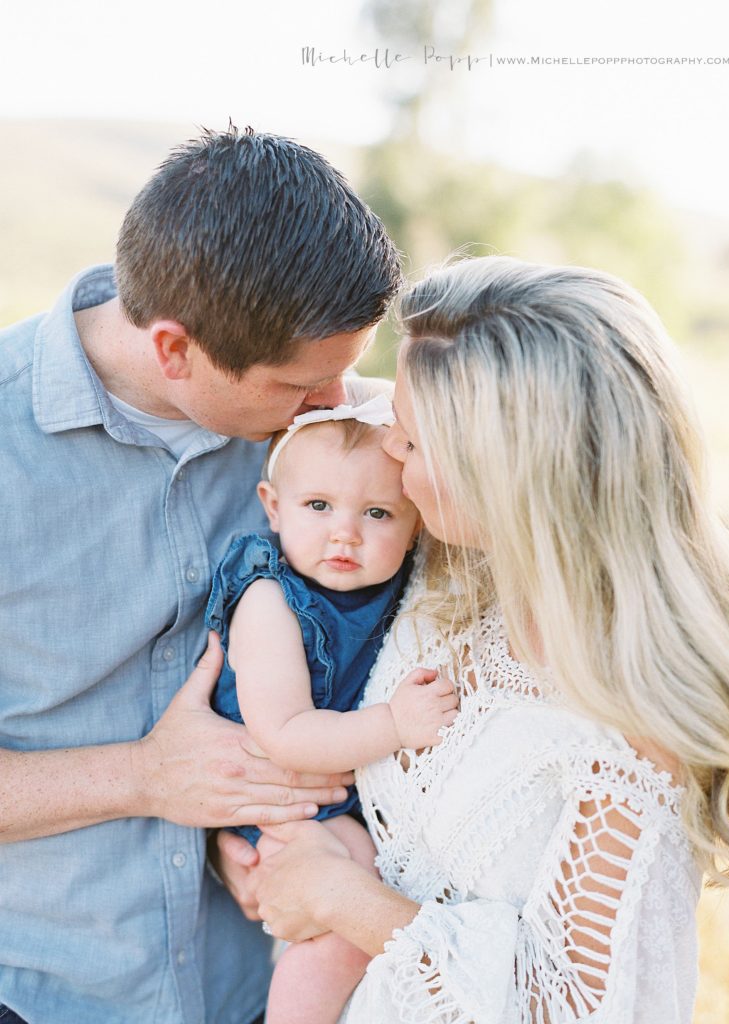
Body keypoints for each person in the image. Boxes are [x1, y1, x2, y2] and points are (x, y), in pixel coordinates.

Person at [231, 256, 729, 1023]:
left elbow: (573, 1007)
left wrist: (337, 895)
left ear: (503, 475)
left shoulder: (632, 722)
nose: (387, 452)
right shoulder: (450, 581)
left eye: (411, 443)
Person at [0, 126, 403, 1024]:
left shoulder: (308, 432)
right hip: (45, 994)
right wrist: (145, 777)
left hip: (259, 983)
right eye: (301, 386)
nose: (338, 405)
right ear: (175, 349)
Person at [206, 379, 458, 1024]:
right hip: (277, 791)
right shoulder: (269, 600)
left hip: (331, 790)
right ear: (273, 506)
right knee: (347, 922)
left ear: (416, 526)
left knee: (367, 901)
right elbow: (285, 733)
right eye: (318, 505)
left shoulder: (401, 576)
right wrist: (395, 725)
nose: (345, 534)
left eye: (377, 513)